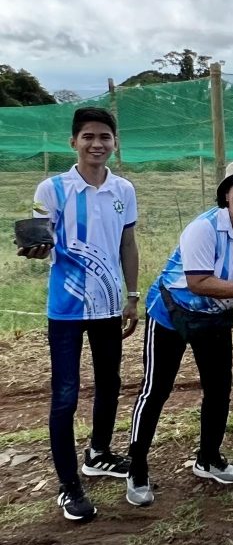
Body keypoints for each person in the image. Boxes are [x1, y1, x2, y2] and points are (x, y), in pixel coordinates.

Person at [126, 160, 233, 507]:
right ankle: (137, 469)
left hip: (216, 317)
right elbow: (200, 283)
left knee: (219, 389)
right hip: (172, 313)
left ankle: (209, 458)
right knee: (156, 390)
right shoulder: (204, 228)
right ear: (226, 192)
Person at [17, 108, 139, 523]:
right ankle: (69, 485)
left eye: (105, 136)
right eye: (88, 136)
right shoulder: (52, 188)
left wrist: (133, 296)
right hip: (66, 310)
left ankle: (99, 454)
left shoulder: (124, 189)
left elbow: (128, 245)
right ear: (74, 142)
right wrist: (35, 250)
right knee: (66, 395)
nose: (97, 144)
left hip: (108, 306)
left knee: (110, 383)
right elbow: (41, 241)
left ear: (115, 141)